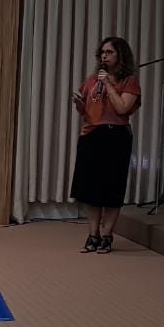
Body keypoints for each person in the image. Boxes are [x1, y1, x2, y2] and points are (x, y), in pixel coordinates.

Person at [70, 36, 142, 254]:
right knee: (90, 189)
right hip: (91, 135)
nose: (104, 56)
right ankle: (93, 235)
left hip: (115, 137)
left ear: (121, 55)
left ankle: (108, 235)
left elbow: (122, 108)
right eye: (102, 52)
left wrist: (109, 84)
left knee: (111, 188)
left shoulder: (129, 81)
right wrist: (79, 104)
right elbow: (87, 109)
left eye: (109, 52)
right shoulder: (92, 79)